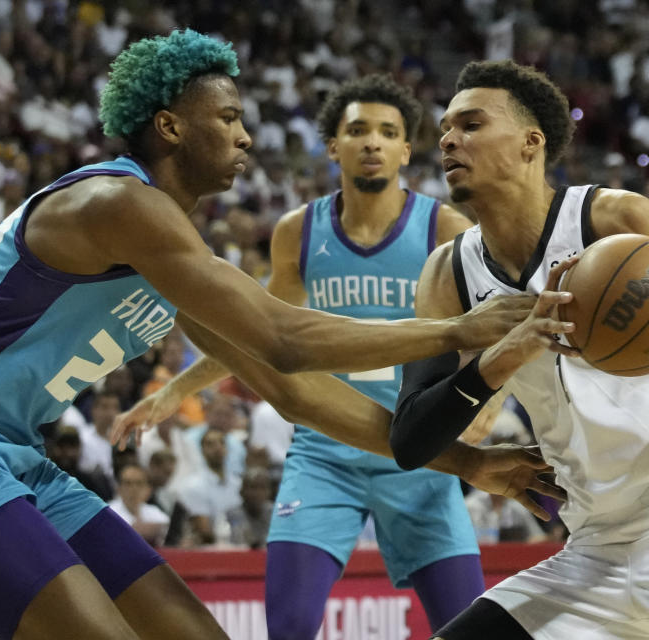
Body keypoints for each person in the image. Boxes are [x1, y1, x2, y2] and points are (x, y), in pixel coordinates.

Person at [0, 30, 549, 640]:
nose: (246, 136)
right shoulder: (118, 202)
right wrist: (454, 330)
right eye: (227, 117)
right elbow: (283, 336)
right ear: (170, 127)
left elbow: (298, 394)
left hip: (14, 454)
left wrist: (469, 463)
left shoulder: (169, 251)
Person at [387, 59, 649, 640]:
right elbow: (411, 439)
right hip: (591, 545)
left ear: (530, 142)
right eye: (444, 128)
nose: (446, 139)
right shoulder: (447, 273)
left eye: (470, 124)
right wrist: (507, 351)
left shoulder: (617, 220)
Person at [120, 74, 488, 637]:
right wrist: (174, 391)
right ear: (333, 146)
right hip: (327, 452)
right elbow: (260, 337)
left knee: (469, 628)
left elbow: (489, 331)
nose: (372, 142)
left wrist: (483, 404)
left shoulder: (446, 228)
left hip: (417, 452)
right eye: (358, 130)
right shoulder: (298, 231)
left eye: (388, 133)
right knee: (288, 629)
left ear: (405, 151)